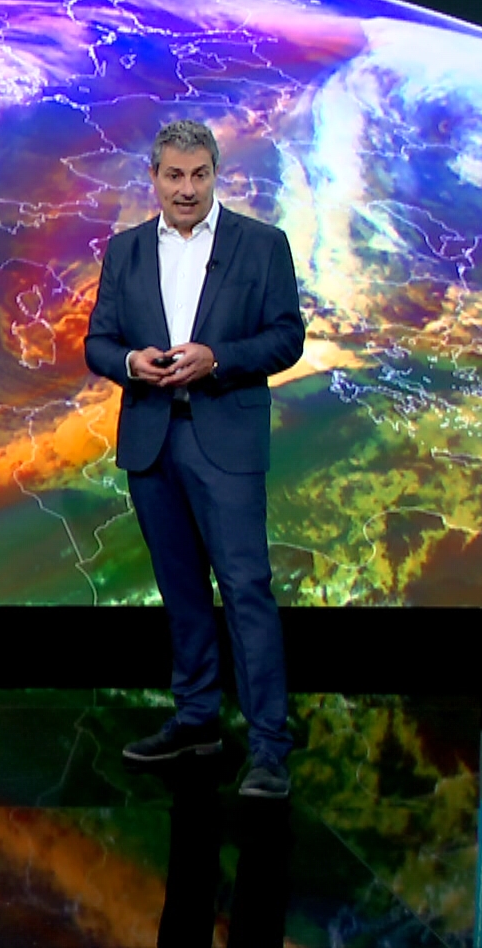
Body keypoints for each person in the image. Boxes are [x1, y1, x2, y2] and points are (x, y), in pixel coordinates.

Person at [84, 120, 306, 798]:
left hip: (225, 440)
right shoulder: (125, 251)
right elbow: (98, 342)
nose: (187, 189)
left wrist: (219, 359)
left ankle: (268, 746)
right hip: (153, 441)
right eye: (175, 176)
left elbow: (286, 338)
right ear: (153, 177)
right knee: (180, 589)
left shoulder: (261, 245)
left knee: (245, 589)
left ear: (216, 175)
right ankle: (196, 718)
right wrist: (131, 362)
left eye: (199, 175)